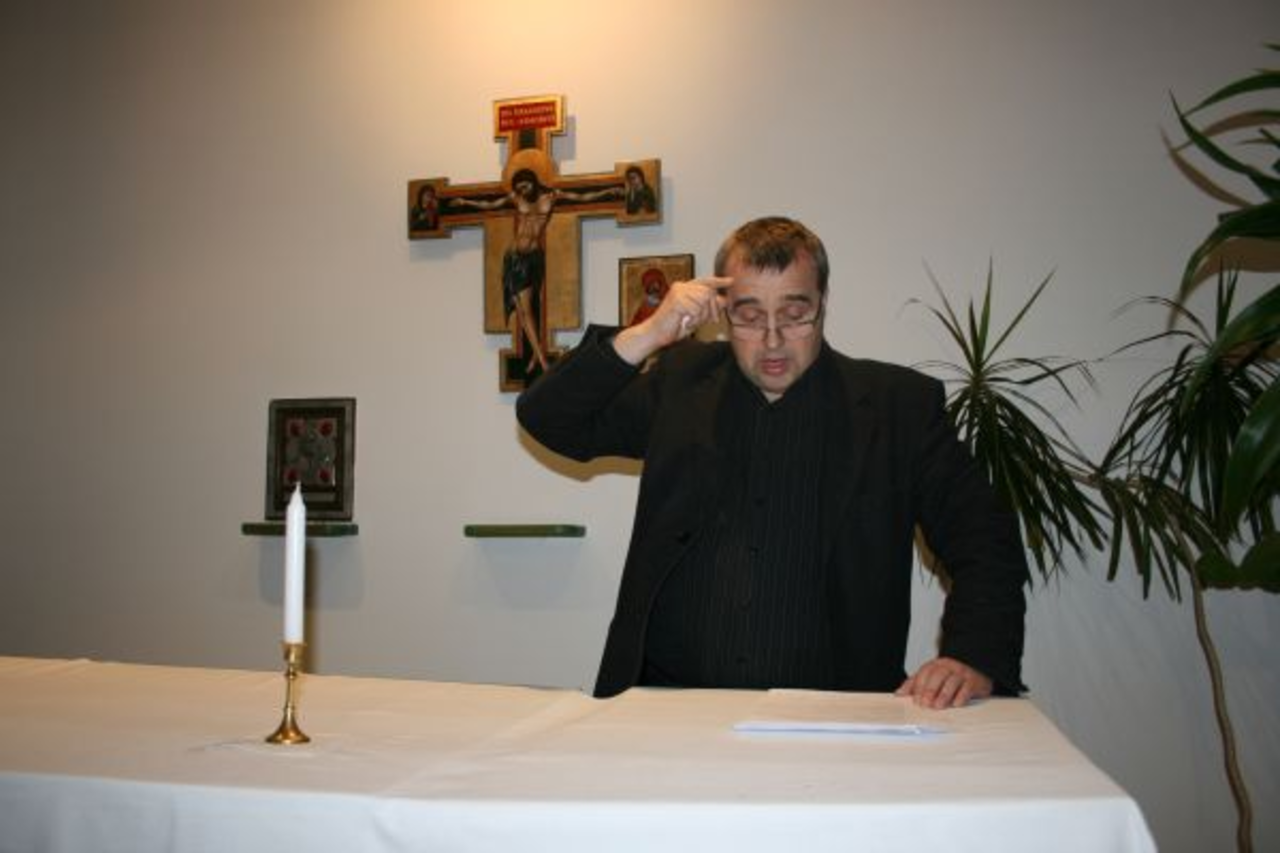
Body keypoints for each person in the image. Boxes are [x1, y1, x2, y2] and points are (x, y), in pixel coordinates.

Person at [516, 216, 1028, 708]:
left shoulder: (898, 408)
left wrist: (972, 656)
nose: (773, 339)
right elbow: (548, 418)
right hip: (668, 709)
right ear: (722, 310)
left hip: (836, 719)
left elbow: (984, 537)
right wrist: (650, 332)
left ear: (823, 303)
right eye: (749, 315)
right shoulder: (680, 384)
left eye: (794, 313)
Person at [454, 169, 621, 374]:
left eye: (525, 186)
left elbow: (582, 197)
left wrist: (607, 191)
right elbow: (490, 205)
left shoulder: (551, 196)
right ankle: (542, 361)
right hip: (515, 259)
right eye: (519, 188)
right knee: (524, 311)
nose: (522, 191)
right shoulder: (516, 197)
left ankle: (536, 355)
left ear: (533, 182)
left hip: (534, 257)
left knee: (530, 309)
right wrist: (465, 202)